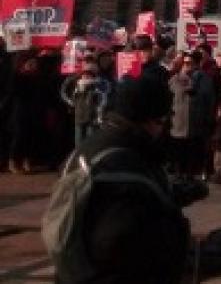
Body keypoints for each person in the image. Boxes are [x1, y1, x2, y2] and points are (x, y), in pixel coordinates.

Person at [52, 76, 193, 284]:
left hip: (75, 271)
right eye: (161, 121)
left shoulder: (94, 146)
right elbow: (122, 235)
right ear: (145, 120)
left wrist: (176, 194)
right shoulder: (125, 159)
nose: (163, 128)